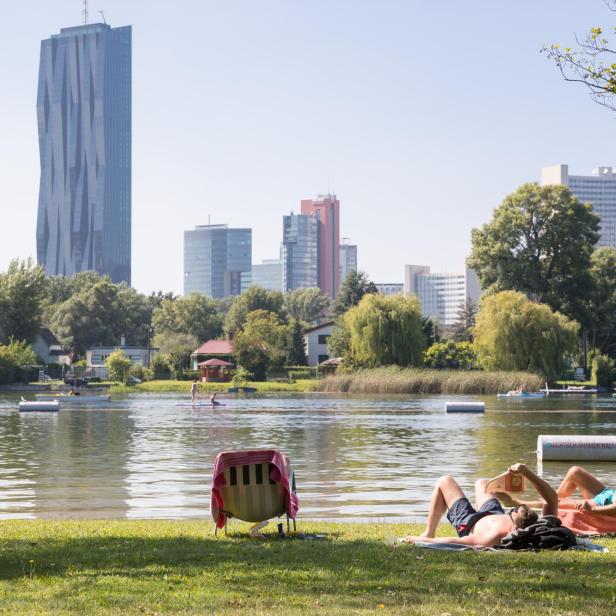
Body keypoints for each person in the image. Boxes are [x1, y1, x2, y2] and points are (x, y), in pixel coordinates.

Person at [401, 463, 558, 547]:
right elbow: (552, 499)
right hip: (494, 512)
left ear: (516, 529)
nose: (521, 509)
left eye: (520, 511)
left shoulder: (496, 535)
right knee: (483, 483)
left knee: (444, 481)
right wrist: (526, 473)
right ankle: (500, 496)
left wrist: (420, 540)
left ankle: (428, 532)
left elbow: (457, 542)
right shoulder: (539, 526)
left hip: (469, 522)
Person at [503, 465, 616, 516]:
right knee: (575, 472)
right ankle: (551, 498)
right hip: (607, 493)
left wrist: (593, 509)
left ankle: (516, 503)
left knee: (558, 504)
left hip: (602, 503)